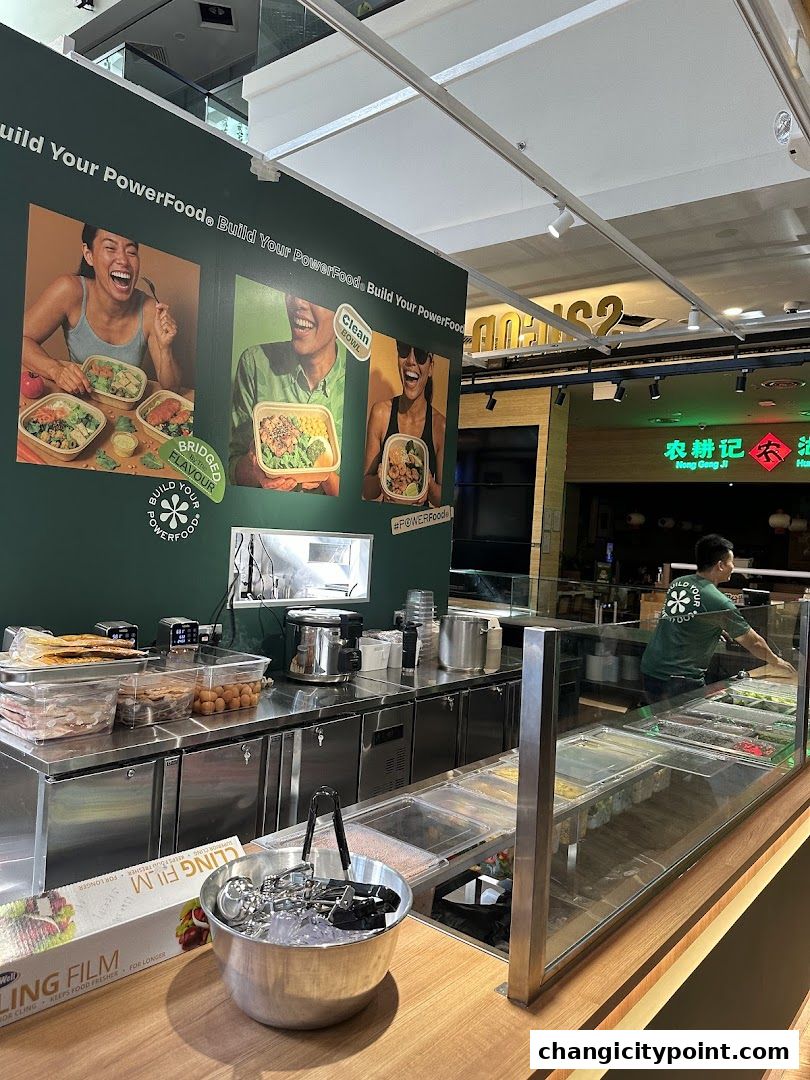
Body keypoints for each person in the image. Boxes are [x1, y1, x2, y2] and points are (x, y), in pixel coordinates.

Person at [22, 225, 180, 395]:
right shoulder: (69, 290)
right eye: (110, 248)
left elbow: (173, 388)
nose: (124, 261)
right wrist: (56, 370)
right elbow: (21, 339)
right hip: (75, 401)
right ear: (89, 255)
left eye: (131, 252)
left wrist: (165, 349)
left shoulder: (149, 310)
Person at [641, 534, 795, 703]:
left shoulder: (678, 583)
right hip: (679, 678)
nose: (733, 567)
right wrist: (776, 661)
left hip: (651, 668)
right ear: (720, 565)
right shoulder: (719, 601)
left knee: (657, 719)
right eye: (731, 562)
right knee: (685, 722)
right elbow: (754, 642)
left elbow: (686, 619)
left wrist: (716, 627)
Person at [229, 293, 346, 496]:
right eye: (294, 290)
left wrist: (324, 474)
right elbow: (231, 468)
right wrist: (257, 470)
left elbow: (356, 503)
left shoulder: (355, 389)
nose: (298, 302)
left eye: (316, 293)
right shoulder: (255, 363)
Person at [362, 341, 445, 507]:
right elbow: (366, 491)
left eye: (421, 355)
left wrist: (429, 485)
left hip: (420, 528)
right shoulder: (380, 413)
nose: (411, 361)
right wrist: (380, 479)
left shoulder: (440, 426)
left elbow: (443, 500)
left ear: (431, 368)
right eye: (404, 350)